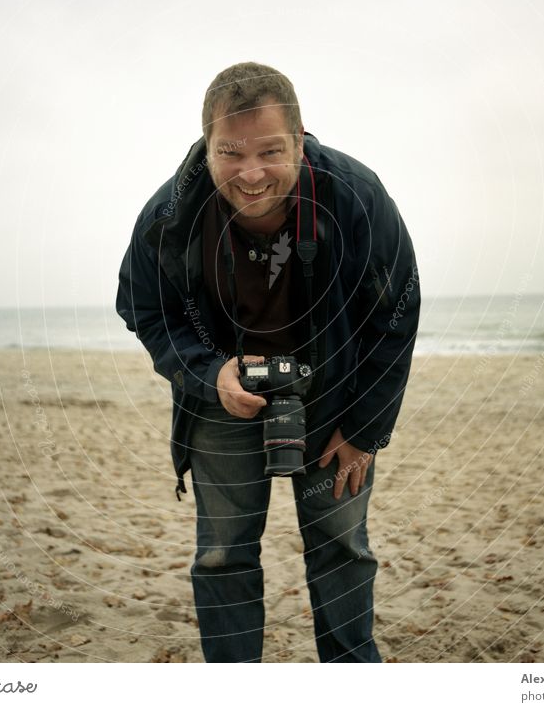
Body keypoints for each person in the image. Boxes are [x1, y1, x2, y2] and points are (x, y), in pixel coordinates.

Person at [116, 61, 420, 663]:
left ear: (301, 139)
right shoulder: (170, 215)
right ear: (206, 147)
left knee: (341, 546)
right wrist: (211, 372)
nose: (250, 173)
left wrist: (363, 433)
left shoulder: (355, 194)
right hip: (221, 400)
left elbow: (396, 316)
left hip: (336, 397)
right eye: (229, 152)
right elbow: (145, 310)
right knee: (223, 552)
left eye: (271, 151)